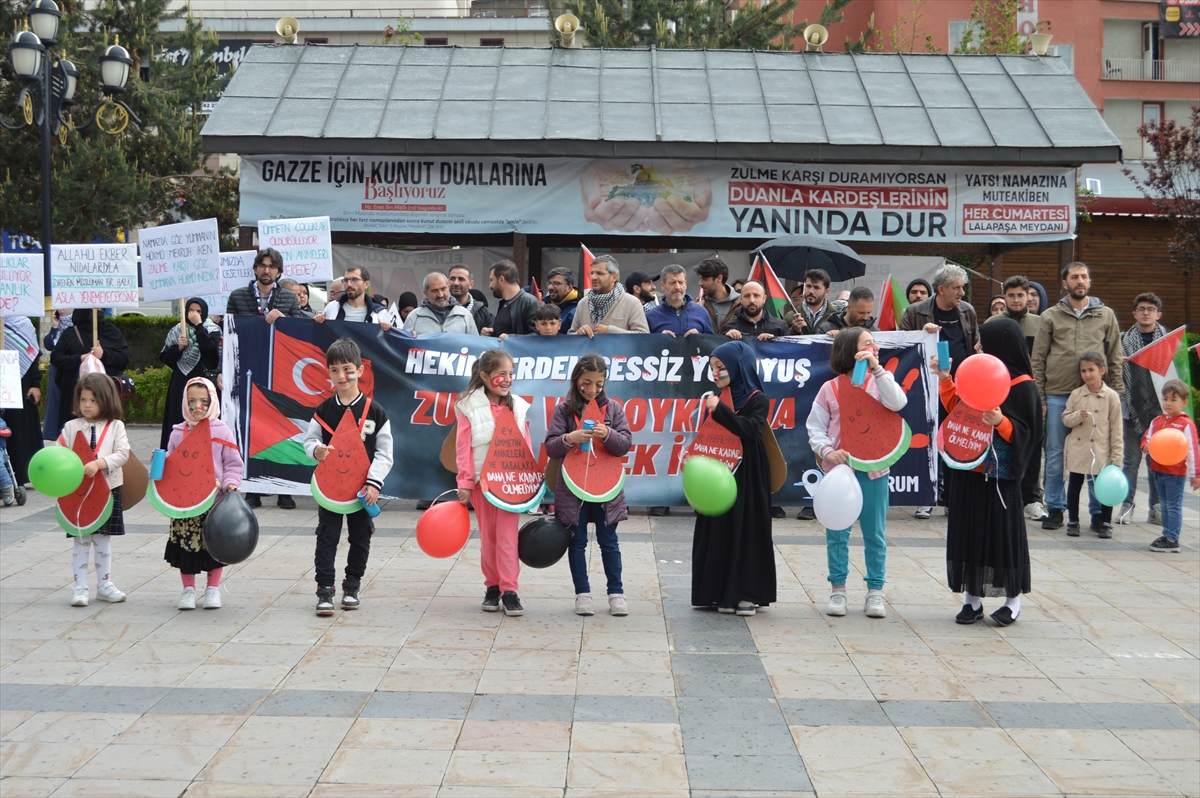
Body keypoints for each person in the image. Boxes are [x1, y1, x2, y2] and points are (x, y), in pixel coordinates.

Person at [936, 318, 1039, 627]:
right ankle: (972, 598)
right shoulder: (977, 374)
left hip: (1001, 475)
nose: (978, 346)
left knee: (1003, 535)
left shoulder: (1023, 386)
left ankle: (1012, 600)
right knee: (969, 530)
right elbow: (957, 407)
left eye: (984, 341)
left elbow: (1029, 434)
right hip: (969, 468)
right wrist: (945, 379)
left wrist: (1001, 422)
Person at [807, 327, 907, 619]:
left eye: (875, 344)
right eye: (867, 344)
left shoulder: (880, 383)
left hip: (875, 470)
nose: (874, 347)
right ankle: (838, 590)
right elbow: (815, 427)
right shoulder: (830, 388)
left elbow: (899, 403)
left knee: (875, 533)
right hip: (840, 473)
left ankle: (875, 591)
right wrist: (827, 451)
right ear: (851, 351)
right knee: (837, 533)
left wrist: (878, 371)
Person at [1031, 262, 1124, 531]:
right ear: (1065, 284)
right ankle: (1057, 509)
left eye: (1084, 276)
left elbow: (1115, 355)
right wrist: (1041, 398)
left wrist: (1115, 393)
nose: (1080, 281)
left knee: (1098, 454)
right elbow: (1037, 359)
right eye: (1074, 277)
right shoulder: (1050, 316)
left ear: (1090, 282)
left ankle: (1097, 513)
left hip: (1097, 395)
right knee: (1056, 454)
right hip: (1059, 393)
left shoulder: (1105, 315)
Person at [304, 338, 394, 616]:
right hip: (330, 490)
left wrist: (374, 482)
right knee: (326, 537)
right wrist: (316, 451)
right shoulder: (324, 410)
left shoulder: (375, 412)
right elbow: (309, 441)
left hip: (362, 490)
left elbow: (384, 453)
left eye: (347, 369)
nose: (341, 376)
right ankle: (325, 589)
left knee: (361, 536)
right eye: (334, 370)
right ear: (328, 373)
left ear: (360, 370)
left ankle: (352, 584)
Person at [691, 340, 776, 616]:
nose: (715, 374)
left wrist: (721, 410)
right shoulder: (719, 397)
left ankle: (745, 594)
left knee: (746, 527)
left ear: (739, 367)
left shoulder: (756, 399)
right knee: (718, 527)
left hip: (747, 473)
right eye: (713, 368)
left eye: (721, 367)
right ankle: (716, 591)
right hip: (718, 471)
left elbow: (750, 429)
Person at [544, 354, 633, 616]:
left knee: (609, 542)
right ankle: (582, 593)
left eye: (599, 383)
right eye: (586, 383)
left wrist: (609, 434)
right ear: (576, 381)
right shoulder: (564, 409)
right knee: (577, 541)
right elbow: (551, 447)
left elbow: (625, 444)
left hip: (607, 489)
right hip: (573, 488)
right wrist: (569, 438)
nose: (593, 390)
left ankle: (616, 592)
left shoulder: (614, 409)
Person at [901, 263, 979, 519]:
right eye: (956, 288)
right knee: (928, 441)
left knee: (954, 442)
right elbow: (900, 344)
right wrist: (920, 333)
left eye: (963, 288)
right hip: (925, 388)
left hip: (958, 389)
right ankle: (926, 497)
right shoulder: (915, 312)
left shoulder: (967, 312)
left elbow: (975, 345)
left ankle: (953, 499)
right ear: (941, 289)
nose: (961, 293)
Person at [456, 349, 530, 616]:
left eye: (511, 374)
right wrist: (465, 482)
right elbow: (463, 448)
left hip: (510, 484)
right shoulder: (468, 407)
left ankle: (510, 590)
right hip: (482, 485)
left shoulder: (519, 406)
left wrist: (530, 481)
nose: (508, 379)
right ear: (485, 376)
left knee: (508, 538)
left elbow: (526, 447)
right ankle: (492, 587)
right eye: (501, 374)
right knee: (489, 538)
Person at [164, 377, 242, 610]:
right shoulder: (178, 433)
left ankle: (212, 589)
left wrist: (230, 483)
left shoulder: (222, 430)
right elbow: (172, 463)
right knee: (186, 547)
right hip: (185, 504)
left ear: (213, 401)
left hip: (213, 503)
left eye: (203, 401)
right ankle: (188, 590)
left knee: (213, 548)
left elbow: (232, 464)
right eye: (191, 401)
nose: (197, 407)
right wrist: (161, 462)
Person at [59, 374, 131, 607]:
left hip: (107, 490)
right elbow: (60, 452)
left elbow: (123, 453)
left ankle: (104, 585)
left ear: (107, 400)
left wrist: (99, 464)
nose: (87, 405)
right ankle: (80, 586)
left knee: (102, 540)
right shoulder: (70, 427)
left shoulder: (116, 426)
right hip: (77, 492)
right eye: (83, 399)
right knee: (81, 540)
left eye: (93, 400)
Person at [987, 275, 1045, 520]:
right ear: (1004, 296)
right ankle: (1003, 492)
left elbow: (1044, 360)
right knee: (1005, 442)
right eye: (1011, 295)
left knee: (1033, 445)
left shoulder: (1041, 323)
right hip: (1001, 393)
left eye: (1021, 295)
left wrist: (1041, 397)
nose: (1017, 299)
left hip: (1030, 392)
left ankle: (1031, 498)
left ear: (1029, 296)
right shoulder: (993, 323)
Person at [1062, 352, 1123, 539]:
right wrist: (1077, 416)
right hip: (1079, 449)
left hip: (1101, 449)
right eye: (1083, 371)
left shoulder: (1111, 396)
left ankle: (1105, 521)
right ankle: (1073, 520)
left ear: (1102, 371)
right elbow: (1065, 418)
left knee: (1106, 486)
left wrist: (1117, 456)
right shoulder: (1076, 394)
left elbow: (1117, 428)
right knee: (1075, 485)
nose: (1087, 374)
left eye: (1091, 370)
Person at [1118, 293, 1167, 525]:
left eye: (1150, 308)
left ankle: (1156, 508)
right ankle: (1126, 506)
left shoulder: (1168, 342)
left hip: (1159, 412)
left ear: (1158, 314)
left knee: (1156, 460)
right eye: (1141, 308)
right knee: (1130, 461)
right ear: (1134, 313)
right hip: (1131, 410)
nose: (1146, 312)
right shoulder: (1123, 340)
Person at [49, 309, 130, 437]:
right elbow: (56, 358)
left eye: (100, 308)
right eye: (94, 307)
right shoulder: (71, 333)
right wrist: (81, 358)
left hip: (104, 393)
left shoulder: (111, 331)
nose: (98, 310)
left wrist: (104, 354)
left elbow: (123, 358)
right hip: (75, 392)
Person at [1143, 379, 1200, 553]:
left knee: (1173, 505)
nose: (1168, 403)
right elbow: (1148, 437)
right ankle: (1167, 535)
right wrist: (1145, 445)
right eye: (1165, 398)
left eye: (1173, 400)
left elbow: (1192, 450)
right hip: (1158, 470)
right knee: (1164, 505)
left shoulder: (1185, 424)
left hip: (1175, 473)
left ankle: (1172, 538)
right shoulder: (1157, 421)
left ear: (1183, 402)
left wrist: (1195, 474)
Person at [158, 298, 222, 450]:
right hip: (181, 379)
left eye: (199, 312)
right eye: (191, 311)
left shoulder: (212, 328)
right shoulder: (177, 330)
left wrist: (199, 325)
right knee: (178, 416)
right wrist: (178, 348)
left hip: (204, 379)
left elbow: (209, 349)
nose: (194, 314)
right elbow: (166, 358)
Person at [1, 315, 43, 485]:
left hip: (20, 385)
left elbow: (32, 357)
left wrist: (35, 383)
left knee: (18, 429)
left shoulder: (23, 323)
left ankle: (20, 473)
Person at [570, 254, 650, 337]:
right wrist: (579, 333)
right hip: (588, 350)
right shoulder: (583, 303)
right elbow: (570, 336)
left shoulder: (632, 303)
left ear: (614, 277)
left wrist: (610, 330)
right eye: (592, 273)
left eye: (600, 273)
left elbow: (643, 335)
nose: (593, 277)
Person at [224, 248, 307, 321]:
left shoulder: (290, 298)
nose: (266, 271)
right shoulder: (237, 296)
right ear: (255, 269)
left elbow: (297, 329)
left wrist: (283, 318)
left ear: (279, 272)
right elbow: (230, 328)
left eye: (272, 267)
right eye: (262, 266)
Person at [646, 264, 714, 337]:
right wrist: (659, 339)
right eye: (672, 283)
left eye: (681, 282)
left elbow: (711, 344)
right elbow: (645, 345)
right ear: (663, 285)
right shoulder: (651, 316)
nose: (677, 287)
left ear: (686, 284)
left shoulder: (701, 312)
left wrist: (699, 338)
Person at [402, 272, 478, 336]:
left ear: (448, 287)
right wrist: (411, 340)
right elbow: (403, 347)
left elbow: (475, 346)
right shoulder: (414, 317)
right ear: (426, 293)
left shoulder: (465, 315)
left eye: (443, 289)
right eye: (435, 291)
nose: (440, 295)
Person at [316, 266, 393, 330]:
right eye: (346, 280)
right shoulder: (331, 308)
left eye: (354, 280)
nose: (349, 284)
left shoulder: (379, 312)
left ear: (366, 284)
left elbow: (386, 343)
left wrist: (386, 330)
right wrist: (317, 322)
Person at [483, 260, 539, 338]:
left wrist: (510, 338)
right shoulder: (504, 303)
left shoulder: (530, 302)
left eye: (492, 280)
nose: (490, 286)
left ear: (501, 280)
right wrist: (490, 333)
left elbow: (537, 336)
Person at [42, 308, 73, 441]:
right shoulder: (58, 326)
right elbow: (49, 345)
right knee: (55, 401)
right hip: (57, 367)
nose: (62, 309)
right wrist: (55, 326)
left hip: (71, 367)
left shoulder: (77, 325)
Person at [721, 280, 788, 341]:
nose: (752, 300)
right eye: (747, 296)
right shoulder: (729, 328)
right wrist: (727, 339)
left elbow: (788, 351)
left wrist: (774, 342)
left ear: (764, 299)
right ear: (741, 299)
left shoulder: (780, 327)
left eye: (756, 295)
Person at [786, 269, 838, 335]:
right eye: (808, 286)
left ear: (826, 292)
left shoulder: (835, 317)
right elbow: (781, 342)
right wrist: (794, 330)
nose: (811, 291)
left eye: (816, 288)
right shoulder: (791, 316)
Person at [695, 257, 740, 332]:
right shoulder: (697, 305)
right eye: (700, 279)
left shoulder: (742, 304)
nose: (700, 283)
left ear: (719, 278)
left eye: (705, 279)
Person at [449, 265, 494, 333]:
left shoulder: (482, 312)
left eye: (461, 279)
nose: (456, 283)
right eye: (452, 278)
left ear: (471, 284)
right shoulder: (439, 307)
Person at [544, 267, 580, 333]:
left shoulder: (577, 310)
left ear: (569, 288)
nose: (550, 287)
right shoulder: (543, 304)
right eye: (549, 283)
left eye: (556, 283)